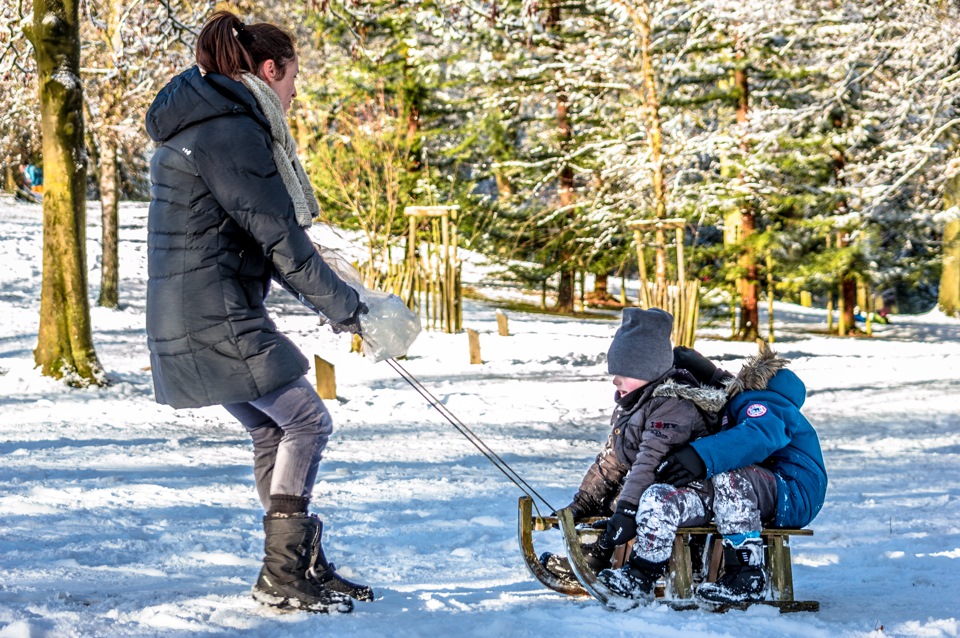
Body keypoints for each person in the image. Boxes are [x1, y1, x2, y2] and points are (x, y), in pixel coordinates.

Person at [145, 10, 372, 614]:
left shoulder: (204, 121)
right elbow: (279, 240)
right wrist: (346, 308)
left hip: (191, 311)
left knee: (275, 427)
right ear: (269, 70)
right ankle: (281, 573)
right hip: (210, 313)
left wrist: (333, 296)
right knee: (306, 420)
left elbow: (259, 235)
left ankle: (295, 566)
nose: (295, 93)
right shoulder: (232, 130)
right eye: (293, 78)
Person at [596, 341, 828, 606]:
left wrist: (699, 455)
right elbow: (725, 388)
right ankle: (641, 574)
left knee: (730, 477)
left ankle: (746, 574)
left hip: (793, 490)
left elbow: (758, 436)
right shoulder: (734, 401)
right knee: (662, 494)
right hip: (751, 488)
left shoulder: (766, 402)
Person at [538, 308, 728, 583]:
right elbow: (612, 458)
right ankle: (593, 557)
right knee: (617, 497)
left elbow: (649, 462)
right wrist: (583, 503)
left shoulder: (673, 406)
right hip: (652, 487)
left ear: (648, 370)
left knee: (628, 500)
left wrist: (625, 507)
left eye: (624, 372)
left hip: (685, 495)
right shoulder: (635, 403)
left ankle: (617, 560)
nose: (616, 380)